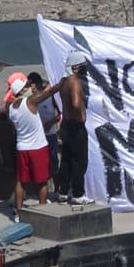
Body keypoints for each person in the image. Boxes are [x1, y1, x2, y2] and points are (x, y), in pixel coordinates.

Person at [7, 76, 52, 218]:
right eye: (26, 86)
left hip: (22, 147)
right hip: (38, 147)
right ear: (22, 90)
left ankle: (19, 213)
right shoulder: (30, 101)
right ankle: (44, 210)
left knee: (21, 181)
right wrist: (59, 81)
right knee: (42, 181)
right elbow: (49, 92)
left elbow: (13, 129)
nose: (29, 88)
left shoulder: (11, 108)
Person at [52, 48, 93, 205]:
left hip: (66, 125)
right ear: (75, 67)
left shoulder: (63, 82)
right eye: (82, 65)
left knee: (66, 160)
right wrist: (82, 111)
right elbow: (76, 102)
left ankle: (63, 192)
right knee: (79, 161)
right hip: (76, 126)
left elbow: (56, 92)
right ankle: (77, 194)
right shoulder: (75, 81)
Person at [27, 71, 61, 196]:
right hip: (38, 137)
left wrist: (50, 123)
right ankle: (42, 192)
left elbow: (60, 114)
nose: (29, 87)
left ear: (35, 84)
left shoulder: (49, 97)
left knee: (53, 163)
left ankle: (57, 190)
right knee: (40, 166)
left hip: (50, 135)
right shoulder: (30, 99)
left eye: (30, 84)